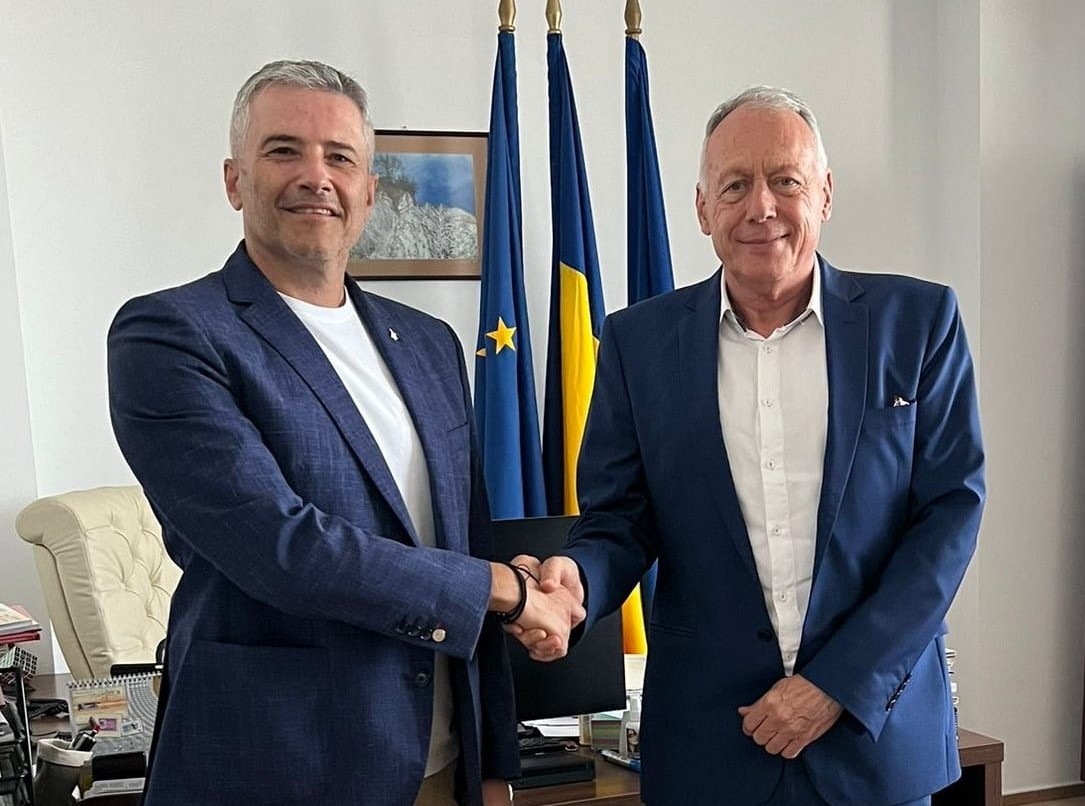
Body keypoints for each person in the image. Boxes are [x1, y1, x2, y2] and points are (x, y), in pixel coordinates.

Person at [107, 59, 583, 806]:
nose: (315, 176)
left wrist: (493, 764)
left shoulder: (428, 343)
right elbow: (284, 550)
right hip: (278, 768)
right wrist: (505, 590)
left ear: (368, 190)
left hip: (438, 765)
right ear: (234, 180)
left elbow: (463, 543)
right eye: (283, 151)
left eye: (340, 157)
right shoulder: (170, 334)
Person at [517, 86, 985, 805]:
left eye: (785, 181)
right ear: (703, 209)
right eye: (734, 185)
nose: (761, 207)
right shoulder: (638, 343)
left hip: (873, 741)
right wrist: (578, 579)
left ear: (824, 194)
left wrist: (835, 684)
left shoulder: (918, 323)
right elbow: (618, 521)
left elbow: (948, 518)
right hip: (710, 744)